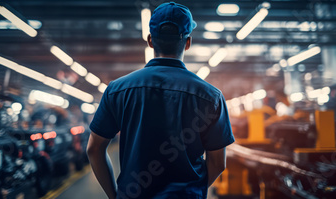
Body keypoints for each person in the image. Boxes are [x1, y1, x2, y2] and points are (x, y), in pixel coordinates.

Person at [86, 2, 235, 199]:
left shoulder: (117, 90)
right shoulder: (211, 97)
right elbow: (218, 163)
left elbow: (94, 149)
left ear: (150, 40)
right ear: (188, 42)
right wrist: (193, 192)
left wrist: (115, 195)